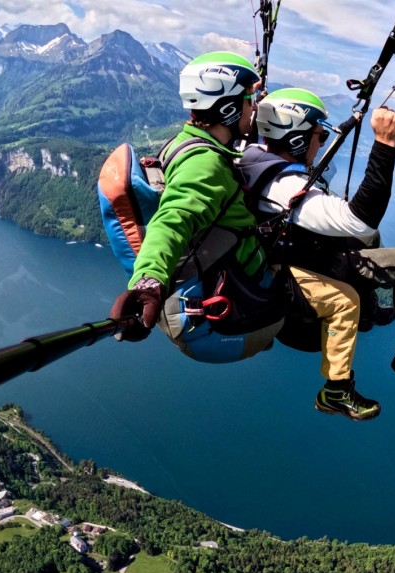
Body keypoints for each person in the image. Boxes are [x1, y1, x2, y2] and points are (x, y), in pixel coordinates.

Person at [109, 52, 380, 421]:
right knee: (346, 298)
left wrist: (249, 108)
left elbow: (234, 155)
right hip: (241, 300)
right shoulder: (206, 164)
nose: (257, 110)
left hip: (223, 282)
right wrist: (149, 281)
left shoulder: (189, 145)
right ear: (226, 111)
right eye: (249, 103)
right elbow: (173, 220)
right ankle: (337, 390)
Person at [237, 88, 395, 376]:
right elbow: (361, 219)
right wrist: (385, 144)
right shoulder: (286, 189)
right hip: (305, 293)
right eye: (319, 136)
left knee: (369, 241)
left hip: (292, 258)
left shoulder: (250, 155)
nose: (322, 142)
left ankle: (368, 307)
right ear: (298, 139)